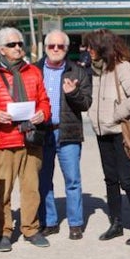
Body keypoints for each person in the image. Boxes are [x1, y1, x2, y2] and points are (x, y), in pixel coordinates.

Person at [0, 27, 51, 251]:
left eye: (20, 43)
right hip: (4, 140)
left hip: (30, 139)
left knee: (31, 188)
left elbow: (44, 100)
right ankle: (4, 232)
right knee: (3, 191)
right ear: (1, 49)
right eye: (12, 45)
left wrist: (43, 113)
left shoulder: (33, 72)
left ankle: (30, 228)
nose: (18, 47)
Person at [82, 28, 130, 246]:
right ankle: (116, 222)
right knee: (110, 179)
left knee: (126, 179)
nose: (88, 50)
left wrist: (115, 115)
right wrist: (96, 117)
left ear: (103, 46)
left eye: (92, 46)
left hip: (119, 131)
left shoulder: (122, 67)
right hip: (102, 133)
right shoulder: (95, 69)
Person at [36, 29, 93, 239]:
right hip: (42, 133)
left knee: (73, 180)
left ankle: (75, 223)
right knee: (44, 179)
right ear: (45, 48)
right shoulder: (35, 71)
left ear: (67, 49)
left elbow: (86, 103)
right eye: (52, 46)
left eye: (60, 46)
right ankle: (49, 221)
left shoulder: (77, 71)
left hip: (68, 132)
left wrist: (74, 93)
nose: (56, 49)